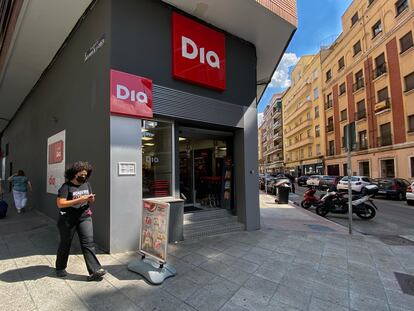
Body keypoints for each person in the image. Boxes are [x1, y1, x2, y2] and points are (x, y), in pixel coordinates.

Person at [55, 161, 106, 281]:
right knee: (65, 243)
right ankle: (60, 268)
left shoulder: (87, 184)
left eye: (85, 174)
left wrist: (90, 199)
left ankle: (95, 270)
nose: (84, 176)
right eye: (81, 174)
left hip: (84, 217)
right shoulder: (66, 187)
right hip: (67, 219)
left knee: (88, 243)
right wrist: (79, 200)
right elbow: (60, 203)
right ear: (74, 173)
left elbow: (89, 200)